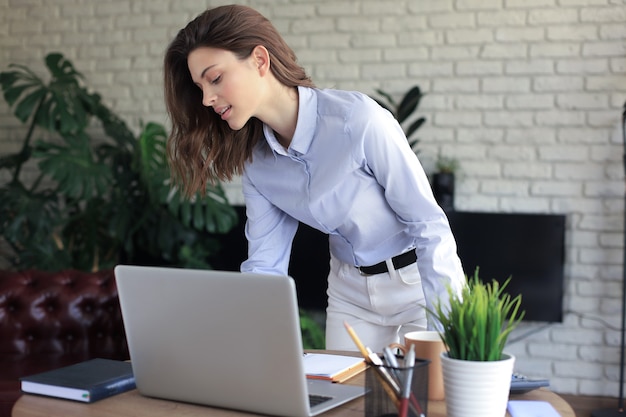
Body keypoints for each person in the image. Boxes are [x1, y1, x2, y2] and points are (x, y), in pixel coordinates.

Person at [163, 4, 465, 353]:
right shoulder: (257, 164)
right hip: (349, 294)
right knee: (346, 402)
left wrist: (450, 328)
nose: (206, 98)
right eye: (199, 86)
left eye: (214, 78)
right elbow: (265, 266)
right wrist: (244, 350)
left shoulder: (358, 120)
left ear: (260, 60)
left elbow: (429, 225)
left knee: (429, 402)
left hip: (417, 287)